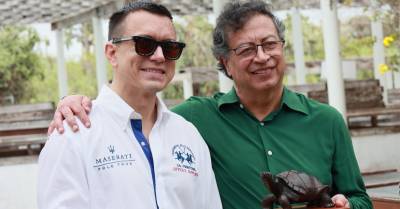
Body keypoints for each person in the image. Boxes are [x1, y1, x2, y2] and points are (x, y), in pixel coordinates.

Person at [48, 1, 372, 209]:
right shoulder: (196, 120)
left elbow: (361, 199)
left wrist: (345, 206)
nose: (262, 57)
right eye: (246, 49)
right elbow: (131, 112)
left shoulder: (326, 120)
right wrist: (72, 102)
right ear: (225, 63)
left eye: (270, 44)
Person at [38, 2, 222, 209]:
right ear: (111, 53)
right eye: (145, 44)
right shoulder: (73, 135)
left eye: (170, 47)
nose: (159, 56)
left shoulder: (188, 135)